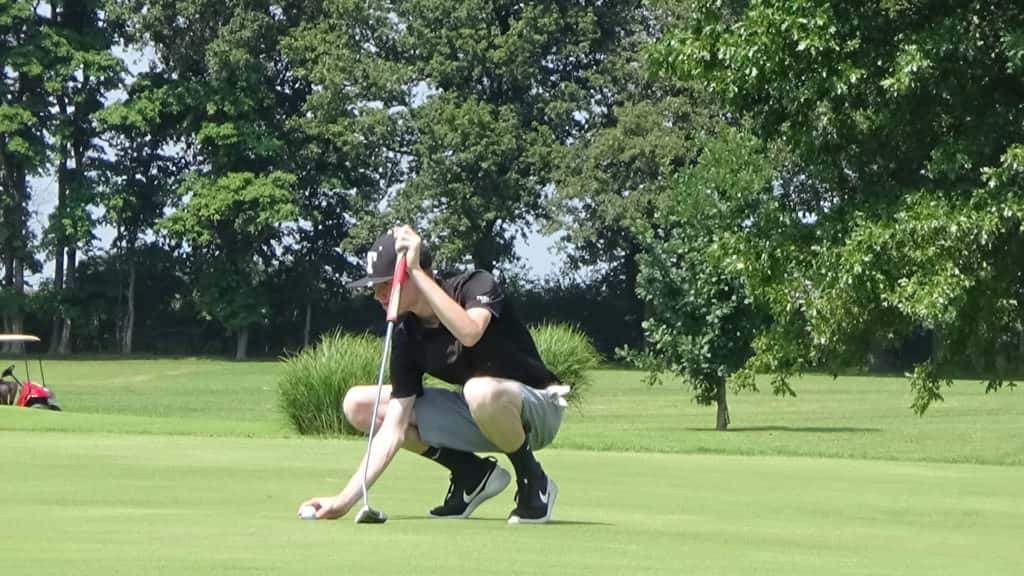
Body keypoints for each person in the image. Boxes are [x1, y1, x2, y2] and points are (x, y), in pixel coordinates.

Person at [299, 225, 568, 524]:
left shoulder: (475, 285)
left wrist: (415, 270)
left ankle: (532, 479)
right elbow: (394, 427)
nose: (378, 295)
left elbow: (469, 333)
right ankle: (471, 473)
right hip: (479, 412)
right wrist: (343, 501)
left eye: (386, 284)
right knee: (359, 405)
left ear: (418, 273)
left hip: (538, 409)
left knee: (479, 391)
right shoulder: (406, 333)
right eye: (375, 287)